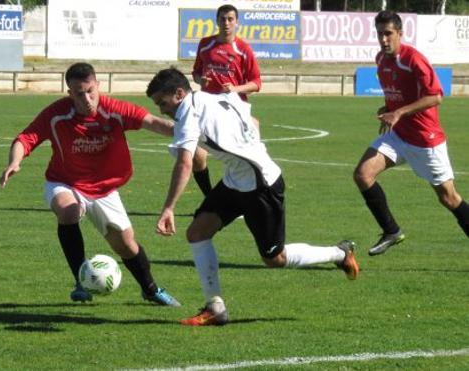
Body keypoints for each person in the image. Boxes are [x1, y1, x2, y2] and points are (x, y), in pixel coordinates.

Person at [146, 67, 359, 326]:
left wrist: (169, 207)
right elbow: (254, 122)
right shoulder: (212, 97)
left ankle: (339, 253)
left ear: (179, 93)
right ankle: (215, 308)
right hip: (236, 180)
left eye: (163, 103)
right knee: (197, 233)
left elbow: (185, 163)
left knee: (275, 258)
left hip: (261, 185)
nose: (162, 110)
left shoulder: (189, 113)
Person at [0, 62, 181, 306]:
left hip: (104, 188)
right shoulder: (57, 114)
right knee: (69, 211)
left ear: (98, 86)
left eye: (90, 91)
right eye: (78, 93)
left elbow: (155, 122)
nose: (86, 98)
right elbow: (26, 138)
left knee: (126, 245)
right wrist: (15, 161)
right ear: (69, 93)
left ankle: (150, 289)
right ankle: (79, 282)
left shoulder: (114, 109)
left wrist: (191, 131)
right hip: (65, 182)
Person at [353, 11, 469, 255]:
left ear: (400, 33)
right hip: (399, 136)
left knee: (449, 198)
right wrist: (388, 108)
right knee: (363, 175)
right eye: (379, 34)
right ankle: (391, 231)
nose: (383, 39)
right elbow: (397, 93)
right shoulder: (380, 60)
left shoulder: (414, 59)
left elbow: (436, 96)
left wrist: (399, 113)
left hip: (426, 141)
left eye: (388, 34)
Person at [190, 4, 262, 196]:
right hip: (206, 107)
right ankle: (210, 198)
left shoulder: (243, 49)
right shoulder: (206, 44)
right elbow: (196, 72)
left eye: (230, 19)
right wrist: (200, 80)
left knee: (240, 158)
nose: (226, 23)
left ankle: (249, 197)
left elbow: (256, 82)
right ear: (217, 21)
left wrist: (235, 89)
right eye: (222, 19)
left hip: (233, 109)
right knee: (197, 156)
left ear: (237, 22)